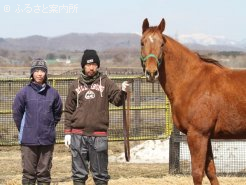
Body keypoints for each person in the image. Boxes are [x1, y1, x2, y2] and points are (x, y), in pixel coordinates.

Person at [64, 49, 129, 185]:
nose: (91, 67)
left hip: (98, 135)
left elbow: (117, 101)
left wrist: (123, 91)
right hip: (78, 135)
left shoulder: (106, 83)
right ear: (83, 66)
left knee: (100, 175)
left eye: (94, 64)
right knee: (79, 174)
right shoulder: (75, 85)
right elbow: (69, 110)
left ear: (97, 66)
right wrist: (67, 132)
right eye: (88, 65)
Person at [12, 58, 63, 185]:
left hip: (47, 139)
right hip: (28, 140)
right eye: (36, 71)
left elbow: (57, 113)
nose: (39, 74)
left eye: (42, 71)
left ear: (46, 73)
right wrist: (27, 129)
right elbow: (17, 114)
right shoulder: (23, 93)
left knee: (44, 174)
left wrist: (48, 127)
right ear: (32, 73)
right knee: (29, 174)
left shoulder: (53, 93)